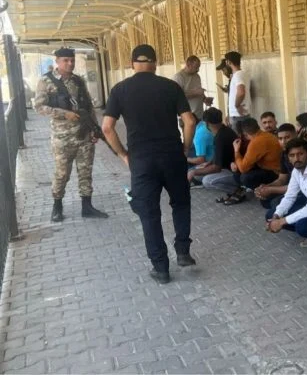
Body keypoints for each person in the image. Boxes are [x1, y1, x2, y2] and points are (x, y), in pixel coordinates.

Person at [102, 44, 197, 284]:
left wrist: (123, 155)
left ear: (132, 64)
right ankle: (183, 251)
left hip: (142, 160)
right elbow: (189, 121)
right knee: (181, 203)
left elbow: (107, 128)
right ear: (155, 63)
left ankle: (161, 268)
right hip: (172, 155)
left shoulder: (120, 89)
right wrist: (185, 148)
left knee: (149, 213)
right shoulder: (171, 86)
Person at [34, 47, 109, 222]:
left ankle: (87, 206)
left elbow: (88, 107)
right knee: (62, 174)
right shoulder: (46, 81)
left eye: (72, 60)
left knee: (85, 171)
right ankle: (57, 207)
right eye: (66, 60)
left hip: (83, 135)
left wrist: (94, 129)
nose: (70, 63)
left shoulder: (78, 81)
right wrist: (64, 113)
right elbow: (39, 107)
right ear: (57, 62)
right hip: (62, 138)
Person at [221, 118, 282, 205]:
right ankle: (244, 190)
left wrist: (236, 151)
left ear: (245, 133)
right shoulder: (264, 135)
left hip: (275, 173)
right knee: (238, 170)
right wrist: (236, 162)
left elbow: (243, 168)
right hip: (270, 169)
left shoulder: (257, 141)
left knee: (245, 177)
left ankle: (265, 193)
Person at [187, 107, 239, 201]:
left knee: (207, 181)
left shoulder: (220, 137)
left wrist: (193, 172)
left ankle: (237, 191)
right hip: (229, 167)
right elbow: (219, 155)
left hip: (235, 172)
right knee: (198, 172)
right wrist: (209, 163)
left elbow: (216, 168)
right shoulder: (224, 130)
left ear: (207, 123)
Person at [256, 123, 302, 213]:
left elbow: (298, 187)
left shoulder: (301, 154)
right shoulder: (284, 154)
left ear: (296, 135)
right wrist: (266, 187)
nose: (283, 142)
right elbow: (282, 179)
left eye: (287, 137)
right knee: (265, 200)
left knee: (275, 203)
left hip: (304, 190)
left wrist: (271, 189)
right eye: (280, 138)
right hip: (291, 186)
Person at [172, 56, 207, 120]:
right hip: (187, 117)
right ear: (188, 64)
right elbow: (177, 97)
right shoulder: (178, 77)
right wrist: (195, 93)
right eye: (196, 67)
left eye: (199, 67)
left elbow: (199, 91)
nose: (198, 70)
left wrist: (205, 99)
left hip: (199, 114)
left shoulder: (197, 76)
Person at [225, 51, 251, 127]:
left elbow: (241, 92)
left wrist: (237, 105)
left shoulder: (238, 75)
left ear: (229, 62)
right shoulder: (241, 74)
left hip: (238, 115)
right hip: (239, 114)